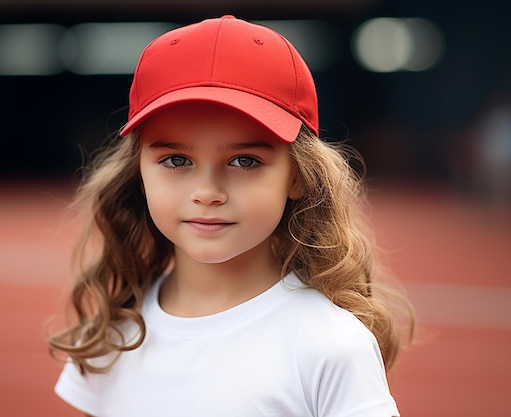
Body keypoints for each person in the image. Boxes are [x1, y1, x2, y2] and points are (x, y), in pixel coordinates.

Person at [49, 15, 414, 417]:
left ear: (297, 176)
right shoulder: (114, 330)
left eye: (244, 160)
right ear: (138, 172)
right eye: (175, 160)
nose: (207, 192)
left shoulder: (329, 345)